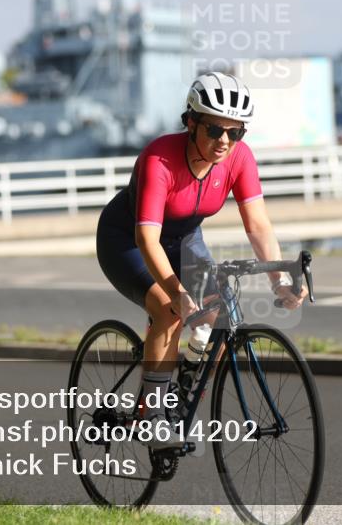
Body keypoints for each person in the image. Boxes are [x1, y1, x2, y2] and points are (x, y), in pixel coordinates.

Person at [96, 71, 308, 446]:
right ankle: (151, 413)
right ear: (191, 122)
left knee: (221, 315)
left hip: (185, 239)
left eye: (235, 132)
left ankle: (180, 399)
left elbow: (257, 224)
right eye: (214, 130)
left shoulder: (238, 158)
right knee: (168, 307)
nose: (224, 141)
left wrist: (280, 280)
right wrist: (176, 291)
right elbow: (147, 238)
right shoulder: (159, 158)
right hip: (127, 240)